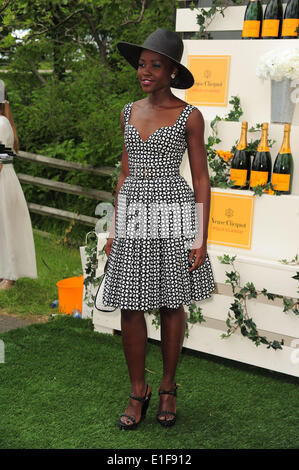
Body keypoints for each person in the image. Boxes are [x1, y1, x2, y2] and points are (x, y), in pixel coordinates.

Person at [102, 29, 216, 430]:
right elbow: (125, 172)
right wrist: (115, 228)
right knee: (130, 305)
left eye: (155, 65)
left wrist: (200, 236)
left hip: (174, 214)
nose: (144, 72)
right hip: (134, 215)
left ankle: (167, 387)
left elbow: (201, 179)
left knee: (171, 303)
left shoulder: (190, 116)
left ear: (171, 72)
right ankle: (139, 391)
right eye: (141, 64)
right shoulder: (127, 111)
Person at [0, 80, 37, 289]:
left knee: (7, 226)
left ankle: (10, 275)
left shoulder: (2, 124)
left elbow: (1, 158)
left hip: (3, 179)